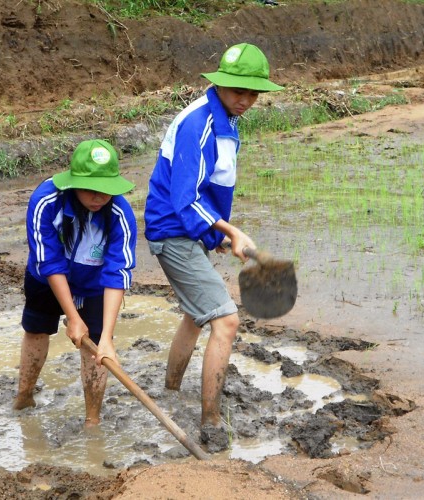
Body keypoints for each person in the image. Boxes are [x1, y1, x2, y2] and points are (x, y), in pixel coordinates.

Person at [143, 43, 283, 441]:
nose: (246, 100)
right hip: (173, 232)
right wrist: (231, 231)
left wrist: (216, 233)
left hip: (189, 231)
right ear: (219, 84)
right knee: (226, 319)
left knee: (195, 314)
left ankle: (170, 391)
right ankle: (211, 422)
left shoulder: (226, 120)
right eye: (238, 91)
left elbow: (206, 189)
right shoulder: (198, 124)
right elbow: (184, 198)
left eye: (253, 93)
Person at [13, 139, 137, 428]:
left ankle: (92, 420)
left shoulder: (120, 214)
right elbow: (50, 261)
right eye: (90, 189)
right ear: (73, 183)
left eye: (105, 190)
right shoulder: (46, 201)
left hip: (94, 284)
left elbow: (117, 273)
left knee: (96, 349)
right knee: (36, 330)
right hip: (48, 278)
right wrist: (71, 316)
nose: (98, 197)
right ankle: (24, 395)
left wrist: (106, 336)